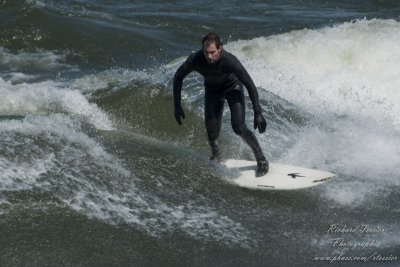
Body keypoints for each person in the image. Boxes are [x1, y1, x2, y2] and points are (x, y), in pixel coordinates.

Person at [173, 32, 269, 177]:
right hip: (212, 90)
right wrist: (177, 104)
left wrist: (258, 112)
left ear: (220, 49)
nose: (209, 56)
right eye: (206, 52)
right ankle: (216, 159)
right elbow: (178, 77)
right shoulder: (196, 59)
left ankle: (261, 160)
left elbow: (249, 84)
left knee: (238, 127)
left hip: (233, 87)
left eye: (212, 52)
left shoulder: (229, 61)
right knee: (212, 132)